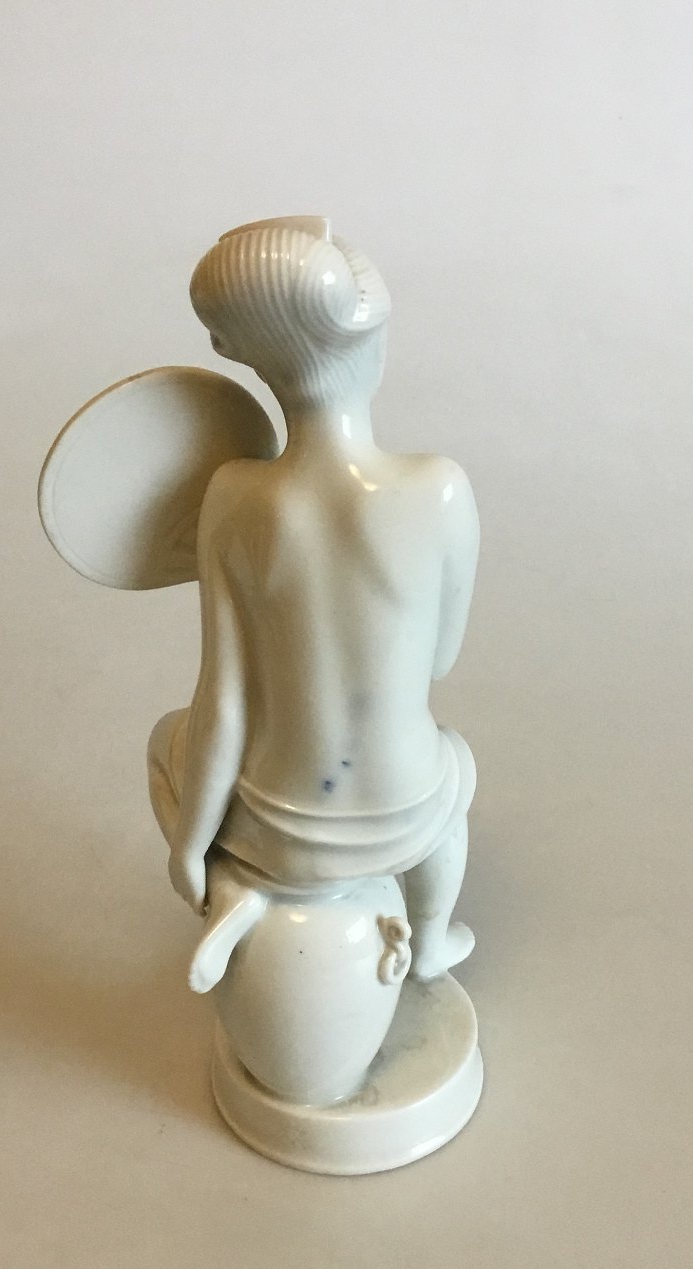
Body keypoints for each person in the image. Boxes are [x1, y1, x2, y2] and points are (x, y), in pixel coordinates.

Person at [148, 216, 479, 988]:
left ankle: (233, 885)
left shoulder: (234, 496)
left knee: (166, 741)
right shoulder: (439, 488)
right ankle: (430, 941)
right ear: (374, 344)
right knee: (455, 767)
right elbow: (442, 659)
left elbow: (224, 700)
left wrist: (189, 849)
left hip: (281, 825)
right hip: (406, 808)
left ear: (248, 360)